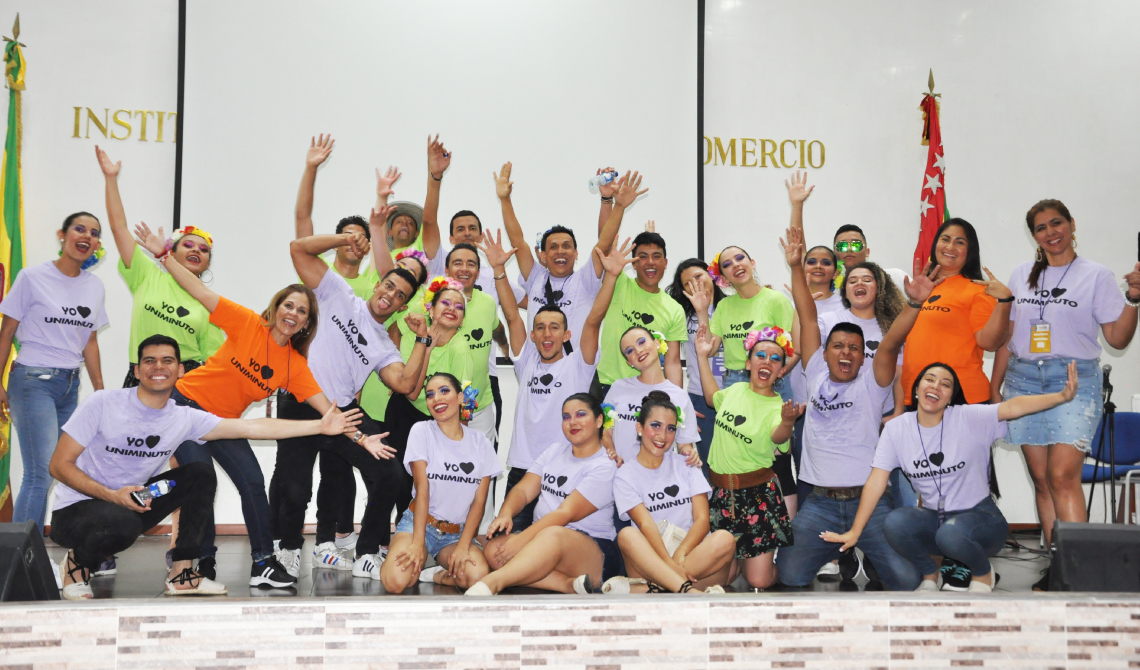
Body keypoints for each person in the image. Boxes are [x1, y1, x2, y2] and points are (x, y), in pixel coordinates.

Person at [47, 335, 362, 600]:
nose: (159, 367)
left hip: (130, 506)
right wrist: (113, 495)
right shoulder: (103, 403)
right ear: (137, 369)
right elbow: (59, 466)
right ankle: (74, 567)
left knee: (199, 474)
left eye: (167, 361)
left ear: (180, 370)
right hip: (76, 514)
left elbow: (253, 428)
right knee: (122, 524)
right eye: (150, 361)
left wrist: (320, 425)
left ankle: (182, 573)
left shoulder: (182, 417)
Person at [161, 251, 349, 588]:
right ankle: (203, 559)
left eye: (302, 311)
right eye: (288, 305)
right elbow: (198, 291)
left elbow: (329, 411)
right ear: (276, 308)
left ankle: (263, 562)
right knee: (202, 481)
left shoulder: (293, 365)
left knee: (252, 481)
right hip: (186, 408)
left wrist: (364, 439)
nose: (293, 313)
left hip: (225, 423)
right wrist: (165, 257)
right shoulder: (246, 322)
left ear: (306, 324)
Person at [823, 360, 1080, 593]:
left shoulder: (967, 418)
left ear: (949, 398)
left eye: (945, 384)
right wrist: (855, 532)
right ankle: (930, 574)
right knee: (896, 522)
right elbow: (876, 481)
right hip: (939, 519)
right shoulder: (896, 430)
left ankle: (982, 574)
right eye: (930, 379)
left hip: (982, 520)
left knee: (950, 534)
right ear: (916, 389)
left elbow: (1012, 408)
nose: (936, 386)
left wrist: (1061, 396)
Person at [990, 199, 1140, 590]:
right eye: (1041, 227)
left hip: (1073, 380)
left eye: (1057, 223)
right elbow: (1006, 338)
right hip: (1022, 381)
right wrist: (995, 387)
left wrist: (1135, 299)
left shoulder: (1097, 276)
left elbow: (1118, 338)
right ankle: (1058, 568)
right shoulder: (1021, 274)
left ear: (1072, 225)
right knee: (1041, 479)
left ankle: (1079, 569)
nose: (1051, 232)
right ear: (1034, 235)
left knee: (1062, 475)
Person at [775, 225, 934, 591]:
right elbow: (807, 312)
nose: (846, 353)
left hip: (870, 501)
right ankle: (837, 556)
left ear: (864, 357)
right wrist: (796, 267)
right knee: (790, 575)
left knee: (906, 580)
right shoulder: (813, 367)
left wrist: (914, 304)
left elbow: (892, 341)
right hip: (819, 505)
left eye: (854, 348)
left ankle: (871, 549)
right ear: (824, 351)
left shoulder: (872, 381)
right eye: (838, 346)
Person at [270, 231, 430, 580]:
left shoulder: (384, 345)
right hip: (301, 403)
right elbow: (298, 248)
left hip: (341, 414)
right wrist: (343, 238)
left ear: (403, 306)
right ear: (377, 285)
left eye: (400, 295)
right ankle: (289, 549)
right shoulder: (339, 293)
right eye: (388, 286)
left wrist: (422, 339)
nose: (390, 296)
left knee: (391, 471)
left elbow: (404, 383)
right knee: (294, 488)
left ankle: (368, 551)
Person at [279, 133, 379, 560]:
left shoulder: (376, 285)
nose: (353, 242)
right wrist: (311, 168)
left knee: (337, 478)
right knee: (293, 478)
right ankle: (286, 547)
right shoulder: (317, 277)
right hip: (302, 392)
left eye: (360, 238)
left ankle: (327, 543)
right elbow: (302, 225)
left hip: (344, 400)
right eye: (345, 237)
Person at [484, 230, 622, 531]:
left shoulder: (579, 363)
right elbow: (511, 315)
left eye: (555, 328)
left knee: (553, 543)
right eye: (541, 328)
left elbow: (594, 319)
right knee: (500, 548)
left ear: (566, 333)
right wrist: (497, 271)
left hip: (566, 467)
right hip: (523, 468)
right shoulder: (527, 360)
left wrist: (610, 277)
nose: (547, 334)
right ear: (532, 336)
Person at [0, 212, 107, 531]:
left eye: (94, 232)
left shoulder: (95, 286)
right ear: (62, 235)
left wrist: (101, 392)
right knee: (40, 473)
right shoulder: (32, 277)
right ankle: (20, 559)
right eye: (79, 228)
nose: (86, 235)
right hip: (32, 381)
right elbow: (6, 333)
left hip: (69, 386)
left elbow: (89, 341)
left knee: (66, 468)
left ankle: (65, 550)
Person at [465, 394, 620, 596]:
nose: (572, 422)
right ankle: (567, 585)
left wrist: (521, 540)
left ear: (599, 420)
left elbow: (565, 514)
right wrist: (505, 514)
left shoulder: (605, 465)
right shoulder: (554, 451)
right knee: (495, 551)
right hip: (544, 539)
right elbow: (523, 490)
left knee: (551, 534)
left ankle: (493, 583)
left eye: (581, 415)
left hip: (592, 551)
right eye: (566, 417)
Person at [96, 147, 224, 388]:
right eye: (188, 245)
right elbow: (119, 228)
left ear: (207, 264)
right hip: (141, 374)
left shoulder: (210, 304)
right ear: (171, 252)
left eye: (203, 250)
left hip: (187, 381)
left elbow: (214, 361)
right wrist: (111, 179)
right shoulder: (146, 275)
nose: (196, 250)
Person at [693, 323, 801, 589]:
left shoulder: (778, 405)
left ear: (780, 370)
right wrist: (701, 356)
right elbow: (710, 398)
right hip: (721, 494)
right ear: (748, 362)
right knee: (723, 578)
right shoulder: (735, 391)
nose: (767, 362)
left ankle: (774, 563)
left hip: (757, 497)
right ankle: (744, 558)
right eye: (761, 356)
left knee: (758, 580)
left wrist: (788, 422)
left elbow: (779, 437)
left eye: (776, 359)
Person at [496, 162, 644, 355]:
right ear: (543, 255)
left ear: (576, 254)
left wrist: (618, 206)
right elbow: (518, 240)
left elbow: (604, 243)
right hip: (540, 374)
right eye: (553, 247)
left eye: (567, 246)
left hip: (579, 375)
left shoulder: (585, 280)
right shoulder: (535, 278)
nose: (560, 252)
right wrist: (505, 199)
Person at [379, 373, 501, 593]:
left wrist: (464, 546)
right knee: (396, 582)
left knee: (477, 578)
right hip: (420, 524)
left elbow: (478, 503)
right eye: (430, 394)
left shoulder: (481, 443)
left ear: (461, 397)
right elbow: (422, 491)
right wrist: (417, 543)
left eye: (445, 391)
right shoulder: (421, 431)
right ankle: (403, 558)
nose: (437, 399)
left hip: (456, 533)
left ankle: (434, 574)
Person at [604, 391, 735, 594]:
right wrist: (669, 565)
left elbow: (702, 520)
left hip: (692, 557)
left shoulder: (687, 464)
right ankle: (684, 590)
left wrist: (680, 555)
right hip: (652, 560)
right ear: (639, 427)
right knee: (627, 534)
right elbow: (645, 525)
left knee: (725, 539)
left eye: (670, 429)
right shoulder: (625, 475)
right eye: (655, 426)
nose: (662, 436)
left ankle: (654, 589)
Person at [384, 276, 478, 532]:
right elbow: (412, 393)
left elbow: (466, 404)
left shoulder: (461, 350)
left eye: (459, 307)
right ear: (431, 309)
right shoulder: (416, 333)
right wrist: (425, 345)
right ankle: (387, 538)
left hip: (438, 423)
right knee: (395, 480)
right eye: (446, 303)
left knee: (423, 484)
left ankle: (423, 537)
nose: (451, 309)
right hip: (405, 411)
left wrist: (457, 443)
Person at [900, 218, 1013, 406]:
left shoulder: (977, 289)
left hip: (961, 396)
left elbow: (989, 343)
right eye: (945, 239)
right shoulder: (920, 289)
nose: (950, 246)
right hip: (914, 393)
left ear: (970, 251)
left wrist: (1004, 302)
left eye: (959, 242)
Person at [595, 227, 687, 397]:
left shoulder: (675, 309)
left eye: (656, 256)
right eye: (643, 257)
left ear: (665, 263)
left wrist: (677, 399)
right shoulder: (619, 283)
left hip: (648, 391)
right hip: (607, 385)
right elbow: (606, 244)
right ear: (634, 264)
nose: (650, 262)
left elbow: (673, 362)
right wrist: (608, 201)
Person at [603, 326, 701, 468]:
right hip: (619, 474)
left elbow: (684, 444)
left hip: (658, 478)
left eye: (641, 342)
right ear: (629, 362)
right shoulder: (618, 388)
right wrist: (611, 452)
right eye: (629, 351)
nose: (638, 350)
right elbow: (604, 432)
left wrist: (690, 454)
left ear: (656, 343)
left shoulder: (679, 396)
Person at [667, 259, 726, 478]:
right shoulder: (681, 313)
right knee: (703, 466)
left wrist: (704, 310)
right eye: (687, 282)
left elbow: (710, 347)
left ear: (711, 274)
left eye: (699, 276)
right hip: (700, 397)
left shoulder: (728, 306)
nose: (695, 283)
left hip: (731, 395)